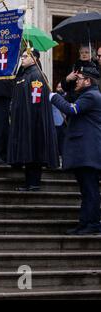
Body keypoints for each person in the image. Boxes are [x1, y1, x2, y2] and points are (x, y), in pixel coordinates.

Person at [50, 66, 101, 235]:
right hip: (85, 152)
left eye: (79, 79)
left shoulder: (91, 96)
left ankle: (92, 223)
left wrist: (54, 97)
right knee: (87, 190)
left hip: (88, 152)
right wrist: (68, 81)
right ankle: (85, 222)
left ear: (88, 81)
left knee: (90, 190)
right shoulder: (87, 94)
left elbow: (72, 109)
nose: (77, 81)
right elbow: (71, 98)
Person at [7, 49, 59, 191]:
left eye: (25, 56)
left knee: (34, 151)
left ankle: (34, 183)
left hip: (34, 122)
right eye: (21, 56)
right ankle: (29, 182)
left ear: (34, 58)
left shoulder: (36, 75)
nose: (22, 59)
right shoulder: (25, 74)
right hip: (24, 120)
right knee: (28, 151)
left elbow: (36, 101)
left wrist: (29, 118)